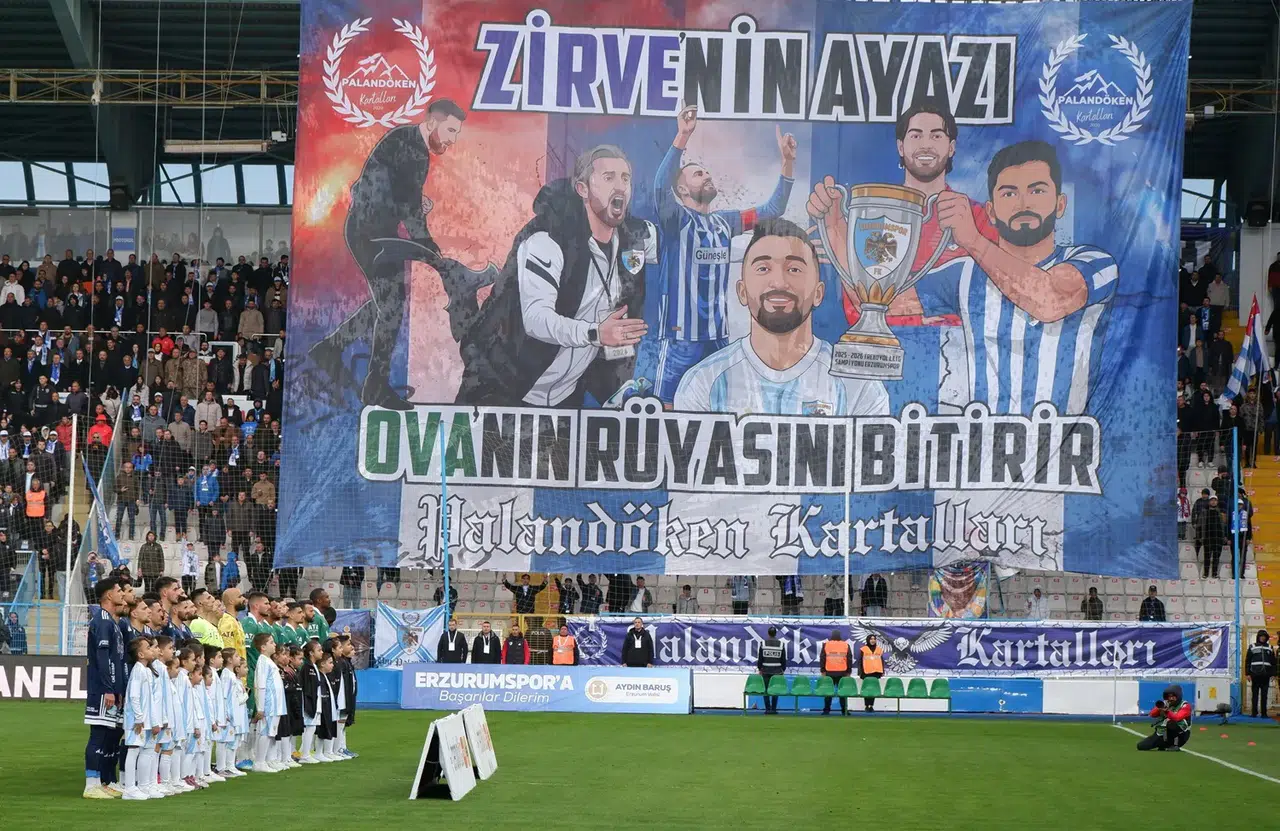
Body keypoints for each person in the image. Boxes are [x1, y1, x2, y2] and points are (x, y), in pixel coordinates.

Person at [309, 99, 495, 409]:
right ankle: (374, 386)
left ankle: (331, 348)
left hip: (377, 231)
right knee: (392, 306)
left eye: (457, 133)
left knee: (388, 304)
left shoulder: (409, 143)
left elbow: (397, 195)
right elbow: (403, 204)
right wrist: (427, 244)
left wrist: (415, 216)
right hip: (371, 235)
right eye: (450, 130)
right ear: (432, 123)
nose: (453, 139)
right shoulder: (412, 148)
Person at [456, 144, 656, 407]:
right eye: (609, 178)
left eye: (625, 178)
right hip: (501, 387)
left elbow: (671, 239)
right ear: (583, 189)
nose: (620, 186)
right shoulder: (548, 239)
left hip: (566, 396)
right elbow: (537, 319)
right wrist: (596, 333)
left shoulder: (634, 238)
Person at [650, 104, 796, 403]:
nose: (707, 176)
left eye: (707, 172)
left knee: (717, 406)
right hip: (681, 338)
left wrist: (788, 163)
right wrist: (682, 136)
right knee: (668, 407)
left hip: (717, 337)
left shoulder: (725, 222)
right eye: (697, 174)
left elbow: (773, 209)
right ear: (682, 189)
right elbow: (660, 187)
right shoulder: (676, 220)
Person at [674, 219, 889, 416]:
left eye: (794, 269)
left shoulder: (858, 387)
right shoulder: (703, 383)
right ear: (742, 291)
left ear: (818, 293)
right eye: (763, 268)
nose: (778, 282)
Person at [84, 577, 128, 799]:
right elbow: (103, 659)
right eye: (119, 590)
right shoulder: (102, 621)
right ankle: (91, 785)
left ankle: (103, 781)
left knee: (109, 736)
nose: (122, 594)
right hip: (102, 690)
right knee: (99, 736)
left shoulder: (112, 622)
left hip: (112, 690)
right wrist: (108, 689)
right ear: (109, 595)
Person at [1136, 685, 1193, 751]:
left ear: (1178, 696)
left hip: (1181, 735)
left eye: (1173, 696)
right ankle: (1163, 744)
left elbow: (1177, 717)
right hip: (1163, 733)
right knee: (1141, 746)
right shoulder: (1166, 703)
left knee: (1171, 723)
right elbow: (1152, 714)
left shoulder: (1185, 706)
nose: (1171, 699)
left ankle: (1175, 745)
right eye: (1169, 696)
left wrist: (1167, 711)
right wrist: (1159, 708)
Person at [820, 629, 852, 715]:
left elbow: (822, 658)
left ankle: (826, 710)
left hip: (829, 671)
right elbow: (849, 659)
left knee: (828, 692)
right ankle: (844, 710)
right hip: (842, 672)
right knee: (843, 692)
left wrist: (822, 670)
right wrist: (849, 671)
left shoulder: (826, 644)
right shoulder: (846, 645)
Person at [756, 626, 787, 715]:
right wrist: (782, 669)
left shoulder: (763, 643)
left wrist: (760, 668)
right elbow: (783, 659)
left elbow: (760, 658)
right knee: (775, 690)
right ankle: (773, 709)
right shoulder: (781, 644)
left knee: (765, 690)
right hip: (777, 671)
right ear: (775, 634)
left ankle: (767, 709)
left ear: (768, 633)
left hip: (765, 670)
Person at [1246, 631, 1277, 718]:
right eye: (1261, 636)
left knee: (1264, 695)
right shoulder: (1252, 646)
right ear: (1258, 637)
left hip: (1266, 675)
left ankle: (1264, 713)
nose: (1263, 638)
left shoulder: (1270, 647)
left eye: (1264, 636)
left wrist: (1273, 674)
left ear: (1266, 638)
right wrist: (1247, 674)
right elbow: (1248, 661)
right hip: (1255, 674)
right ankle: (1254, 713)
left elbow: (1273, 662)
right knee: (1254, 695)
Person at [857, 633, 886, 712]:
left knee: (873, 689)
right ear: (868, 640)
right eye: (871, 639)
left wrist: (882, 671)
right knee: (867, 689)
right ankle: (866, 705)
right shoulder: (863, 649)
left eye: (874, 639)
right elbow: (860, 661)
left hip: (876, 672)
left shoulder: (879, 649)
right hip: (866, 672)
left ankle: (871, 705)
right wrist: (860, 672)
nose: (873, 640)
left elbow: (881, 661)